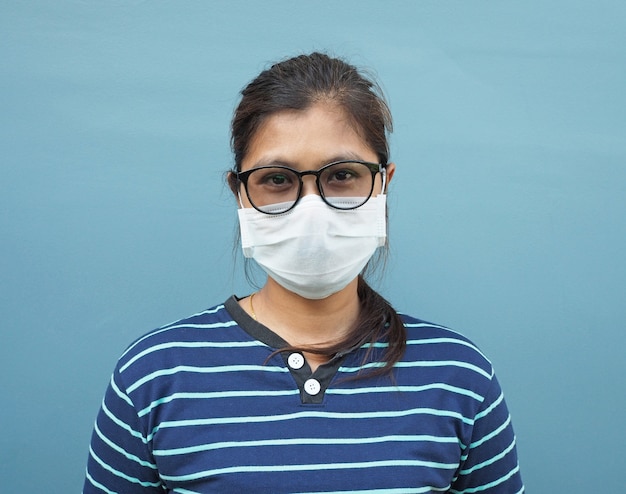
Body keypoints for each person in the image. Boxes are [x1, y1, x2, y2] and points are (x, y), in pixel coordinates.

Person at [83, 52, 524, 493]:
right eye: (277, 179)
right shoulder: (153, 375)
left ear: (383, 184)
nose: (311, 209)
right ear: (240, 193)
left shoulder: (460, 375)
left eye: (342, 175)